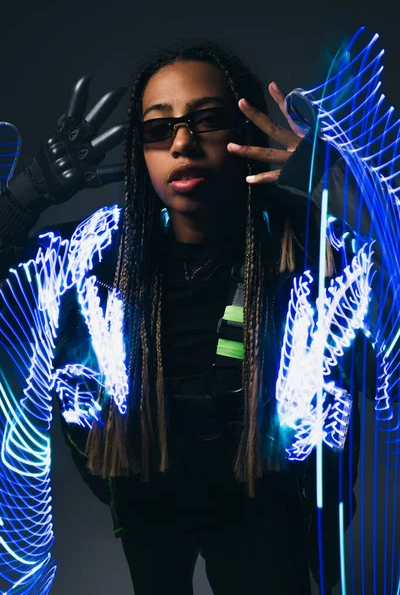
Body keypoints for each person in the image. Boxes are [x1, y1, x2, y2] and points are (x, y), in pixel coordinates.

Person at [0, 37, 377, 595]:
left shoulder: (307, 245)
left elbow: (386, 335)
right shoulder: (99, 253)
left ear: (244, 130)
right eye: (158, 130)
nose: (182, 143)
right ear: (140, 152)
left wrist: (342, 193)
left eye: (208, 119)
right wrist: (25, 196)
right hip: (146, 494)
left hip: (265, 501)